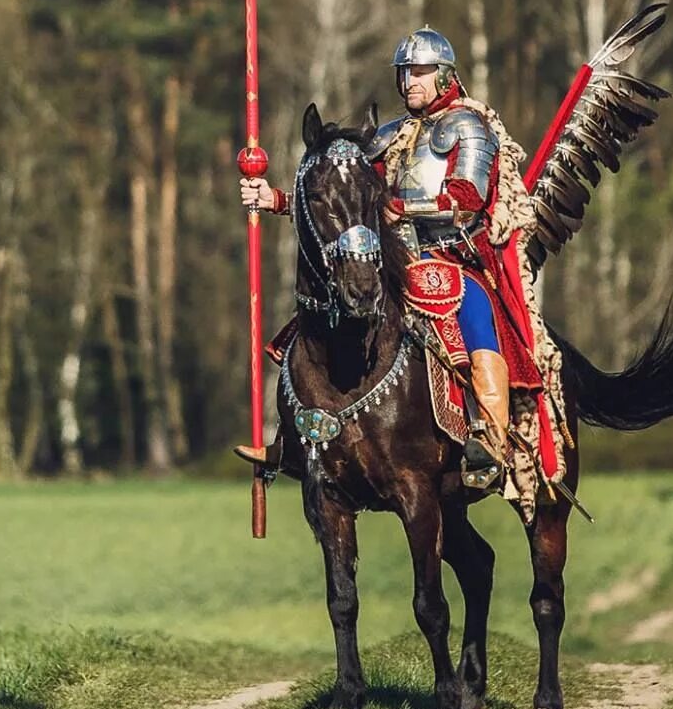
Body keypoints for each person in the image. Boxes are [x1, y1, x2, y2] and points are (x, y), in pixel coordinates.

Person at [238, 27, 555, 486]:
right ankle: (294, 434)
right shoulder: (388, 137)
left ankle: (490, 433)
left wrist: (403, 207)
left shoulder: (469, 126)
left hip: (456, 257)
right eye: (405, 73)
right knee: (319, 315)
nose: (410, 82)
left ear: (444, 75)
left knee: (473, 311)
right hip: (397, 256)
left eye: (420, 72)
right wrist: (278, 201)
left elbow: (467, 198)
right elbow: (345, 199)